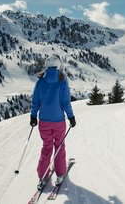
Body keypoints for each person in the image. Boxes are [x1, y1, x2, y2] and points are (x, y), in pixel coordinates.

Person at [30, 54, 76, 190]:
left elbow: (35, 102)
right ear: (58, 66)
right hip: (58, 122)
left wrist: (33, 116)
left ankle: (42, 176)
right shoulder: (62, 81)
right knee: (59, 147)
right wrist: (71, 117)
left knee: (47, 147)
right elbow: (66, 103)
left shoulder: (40, 82)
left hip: (44, 122)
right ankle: (60, 173)